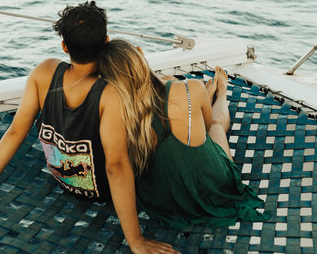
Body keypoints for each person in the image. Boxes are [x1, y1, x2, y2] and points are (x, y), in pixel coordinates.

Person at [0, 1, 182, 254]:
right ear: (106, 41)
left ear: (65, 47)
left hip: (64, 180)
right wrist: (135, 239)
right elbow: (116, 166)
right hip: (101, 190)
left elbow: (15, 132)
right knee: (166, 101)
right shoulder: (110, 93)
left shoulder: (44, 71)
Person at [97, 39, 271, 230]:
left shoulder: (115, 110)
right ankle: (221, 93)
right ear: (140, 51)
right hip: (209, 188)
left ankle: (209, 93)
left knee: (172, 83)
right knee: (216, 125)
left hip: (162, 196)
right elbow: (205, 130)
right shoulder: (191, 88)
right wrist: (198, 97)